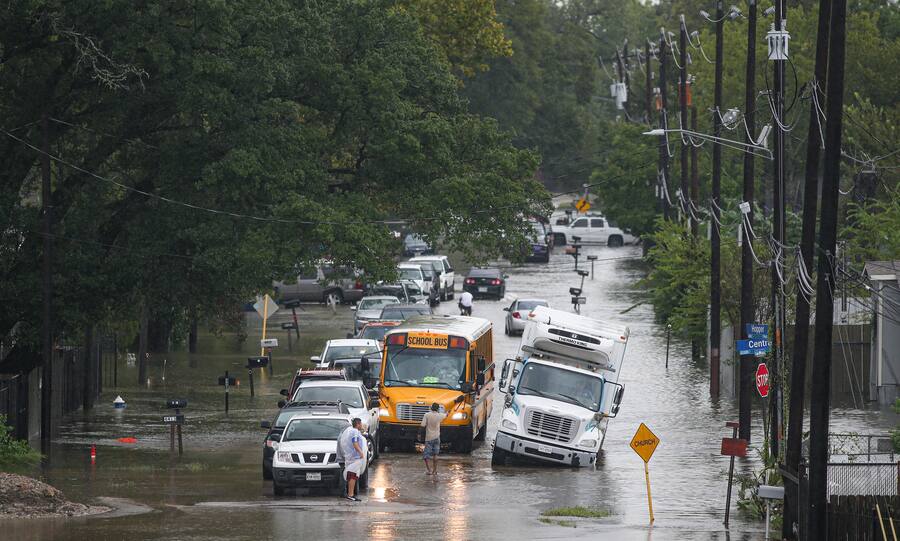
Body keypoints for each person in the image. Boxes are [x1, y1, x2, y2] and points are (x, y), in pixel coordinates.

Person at [337, 418, 367, 501]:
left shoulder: (348, 431)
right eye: (361, 424)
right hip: (355, 457)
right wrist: (361, 452)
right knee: (353, 476)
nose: (361, 425)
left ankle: (351, 494)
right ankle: (351, 494)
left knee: (351, 475)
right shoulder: (355, 432)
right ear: (358, 424)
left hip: (350, 457)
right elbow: (355, 442)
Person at [419, 403, 446, 476]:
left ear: (431, 408)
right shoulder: (440, 415)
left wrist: (419, 435)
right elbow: (446, 414)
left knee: (426, 456)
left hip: (429, 438)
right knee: (435, 454)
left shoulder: (427, 415)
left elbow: (422, 425)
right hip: (437, 437)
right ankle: (435, 470)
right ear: (437, 409)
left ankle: (429, 470)